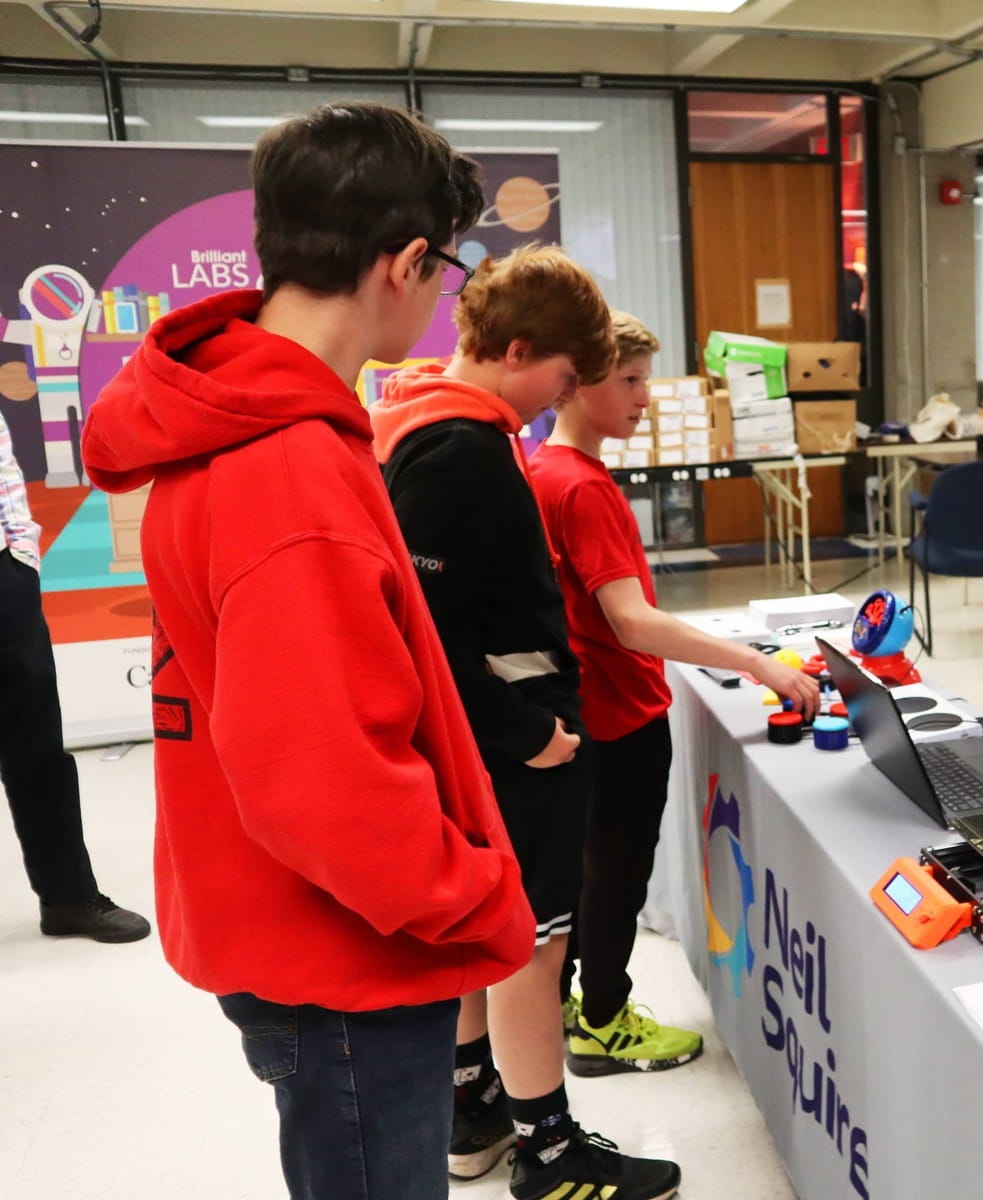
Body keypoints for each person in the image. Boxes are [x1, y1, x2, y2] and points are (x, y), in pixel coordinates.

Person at [81, 103, 537, 1200]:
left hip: (297, 926)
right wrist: (471, 895)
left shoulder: (234, 422)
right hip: (350, 958)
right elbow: (317, 775)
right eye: (450, 268)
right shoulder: (288, 468)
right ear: (409, 260)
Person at [374, 250, 680, 1200]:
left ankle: (470, 1110)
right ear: (517, 351)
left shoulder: (443, 424)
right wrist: (526, 732)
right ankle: (548, 1150)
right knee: (532, 947)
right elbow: (417, 624)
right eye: (565, 375)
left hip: (497, 739)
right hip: (516, 745)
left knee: (487, 929)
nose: (568, 393)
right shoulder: (462, 450)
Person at [528, 312, 818, 1078]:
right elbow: (630, 622)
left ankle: (566, 1004)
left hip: (586, 708)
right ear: (579, 381)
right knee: (615, 871)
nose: (644, 399)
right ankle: (603, 1019)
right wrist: (757, 664)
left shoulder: (544, 472)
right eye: (628, 380)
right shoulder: (580, 488)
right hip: (618, 716)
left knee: (587, 868)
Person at [0, 412, 149, 943]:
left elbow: (4, 466)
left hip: (4, 577)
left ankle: (67, 897)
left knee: (38, 745)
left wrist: (21, 557)